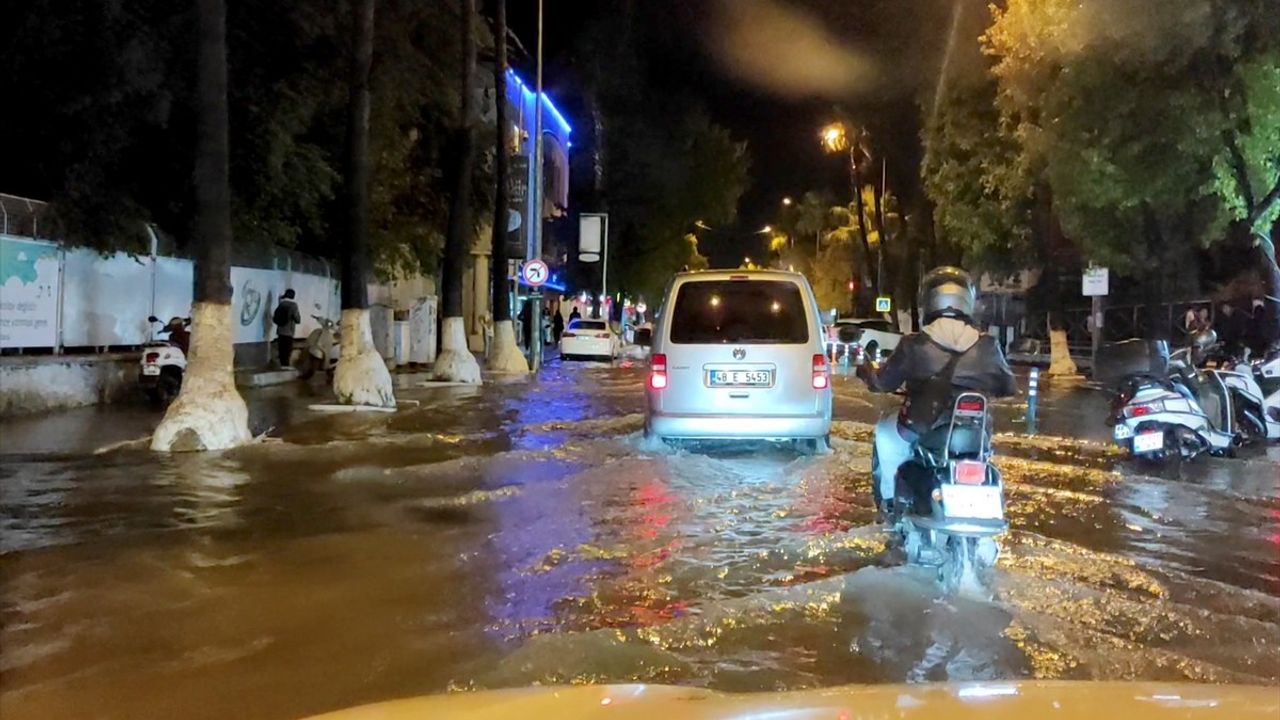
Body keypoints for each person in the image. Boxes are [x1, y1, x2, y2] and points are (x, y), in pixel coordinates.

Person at [856, 267, 1019, 514]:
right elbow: (1009, 387)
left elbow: (883, 383)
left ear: (929, 300)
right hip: (975, 435)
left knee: (885, 433)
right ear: (967, 300)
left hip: (922, 426)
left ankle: (889, 504)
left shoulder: (915, 344)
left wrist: (866, 372)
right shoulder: (988, 345)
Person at [272, 289, 301, 368]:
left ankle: (282, 364)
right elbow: (297, 320)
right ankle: (286, 365)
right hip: (289, 332)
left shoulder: (281, 304)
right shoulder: (293, 305)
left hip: (280, 330)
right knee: (287, 349)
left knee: (281, 349)